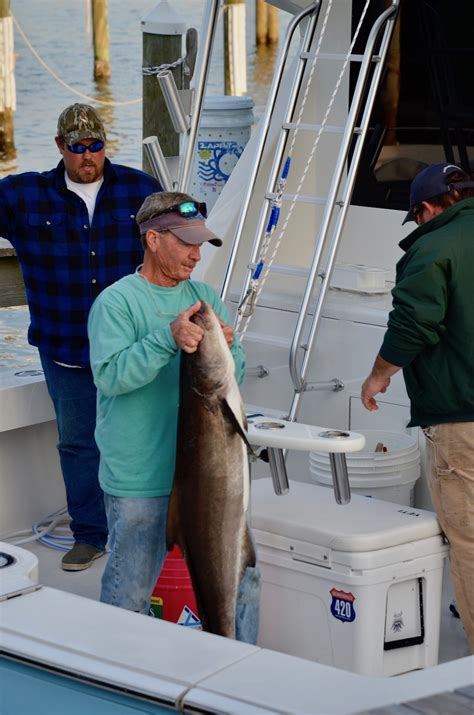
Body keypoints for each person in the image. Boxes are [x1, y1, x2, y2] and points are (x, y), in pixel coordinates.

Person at [87, 191, 260, 643]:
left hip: (211, 482)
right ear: (153, 239)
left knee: (242, 583)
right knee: (130, 591)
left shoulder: (203, 297)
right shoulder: (116, 302)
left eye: (200, 243)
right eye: (185, 242)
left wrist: (227, 344)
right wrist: (167, 338)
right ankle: (116, 681)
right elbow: (111, 377)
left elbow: (232, 377)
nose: (196, 253)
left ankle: (235, 676)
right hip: (141, 477)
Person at [0, 104, 161, 571]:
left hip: (129, 347)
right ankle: (89, 535)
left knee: (137, 437)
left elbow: (179, 236)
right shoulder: (22, 195)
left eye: (95, 146)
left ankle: (143, 530)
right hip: (65, 346)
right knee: (78, 442)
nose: (87, 156)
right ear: (60, 147)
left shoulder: (140, 189)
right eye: (77, 147)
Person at [361, 162, 474, 653]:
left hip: (461, 417)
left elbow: (414, 323)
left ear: (426, 209)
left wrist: (379, 373)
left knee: (469, 541)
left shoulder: (432, 249)